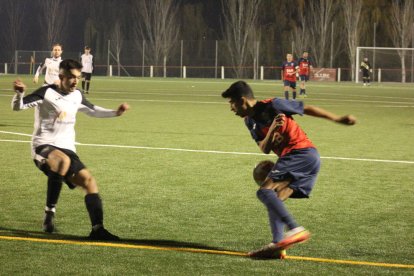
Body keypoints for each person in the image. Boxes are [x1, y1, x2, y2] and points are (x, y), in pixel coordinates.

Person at [221, 81, 356, 259]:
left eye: (232, 102)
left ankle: (295, 229)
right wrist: (273, 130)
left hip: (301, 153)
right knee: (275, 199)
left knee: (264, 192)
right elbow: (264, 148)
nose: (231, 108)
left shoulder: (273, 105)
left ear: (242, 100)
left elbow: (307, 109)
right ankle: (277, 245)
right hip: (302, 158)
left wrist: (337, 118)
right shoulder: (249, 122)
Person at [12, 59, 129, 240]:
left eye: (78, 77)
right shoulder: (46, 92)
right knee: (62, 161)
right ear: (61, 77)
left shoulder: (77, 95)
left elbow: (93, 110)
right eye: (72, 77)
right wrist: (20, 94)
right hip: (43, 146)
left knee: (89, 182)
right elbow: (17, 107)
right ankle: (49, 213)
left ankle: (98, 229)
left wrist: (116, 112)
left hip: (67, 148)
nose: (76, 81)